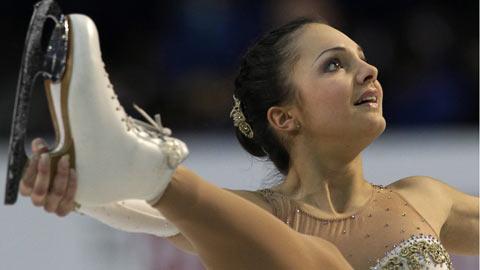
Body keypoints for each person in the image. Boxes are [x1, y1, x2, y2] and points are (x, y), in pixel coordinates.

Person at [19, 17, 478, 269]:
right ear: (285, 117)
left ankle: (148, 169)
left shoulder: (422, 198)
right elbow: (135, 211)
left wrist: (91, 184)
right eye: (334, 65)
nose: (368, 70)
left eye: (361, 58)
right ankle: (143, 169)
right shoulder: (254, 219)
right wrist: (73, 186)